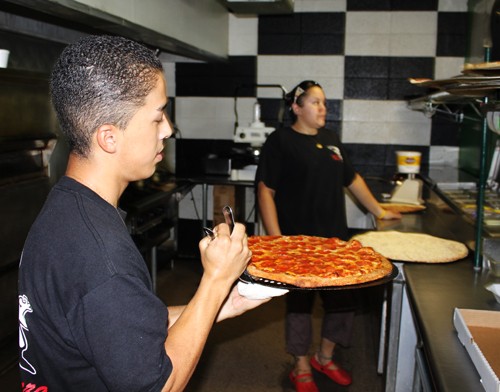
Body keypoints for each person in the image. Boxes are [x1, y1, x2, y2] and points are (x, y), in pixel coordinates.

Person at [18, 35, 268, 392]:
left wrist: (223, 302)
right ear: (109, 137)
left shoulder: (67, 206)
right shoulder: (101, 257)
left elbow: (123, 328)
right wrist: (214, 281)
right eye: (157, 116)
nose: (168, 129)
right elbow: (158, 385)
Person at [256, 80, 401, 392]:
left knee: (343, 302)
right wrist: (277, 240)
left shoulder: (332, 140)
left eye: (324, 102)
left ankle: (325, 356)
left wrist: (379, 211)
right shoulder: (280, 141)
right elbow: (265, 190)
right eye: (316, 102)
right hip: (297, 243)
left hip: (334, 243)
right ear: (296, 107)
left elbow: (353, 179)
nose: (324, 108)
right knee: (299, 306)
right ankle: (301, 365)